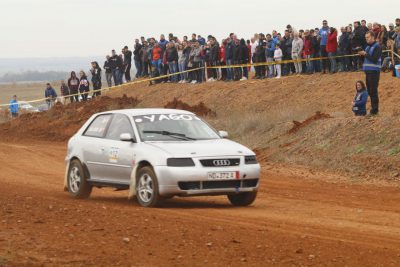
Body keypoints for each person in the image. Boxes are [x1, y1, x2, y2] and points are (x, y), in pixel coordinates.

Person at [358, 31, 382, 115]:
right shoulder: (367, 47)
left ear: (372, 37)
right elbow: (366, 59)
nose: (366, 39)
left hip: (374, 72)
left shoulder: (377, 46)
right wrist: (361, 55)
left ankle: (375, 110)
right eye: (365, 38)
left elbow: (374, 59)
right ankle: (373, 110)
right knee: (370, 91)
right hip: (368, 72)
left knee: (373, 91)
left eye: (367, 37)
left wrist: (365, 54)